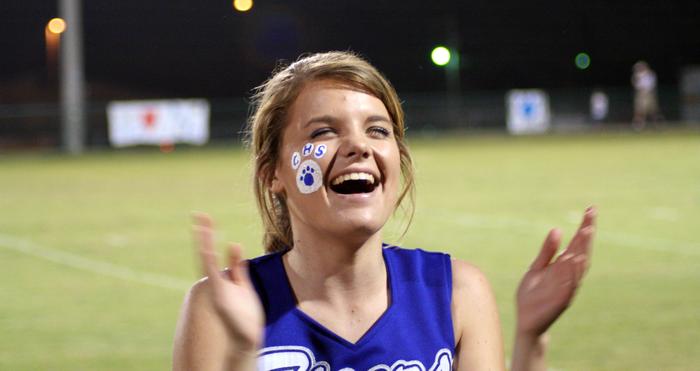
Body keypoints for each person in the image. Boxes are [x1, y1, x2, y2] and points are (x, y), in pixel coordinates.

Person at [173, 51, 596, 371]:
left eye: (378, 130)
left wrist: (531, 340)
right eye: (324, 131)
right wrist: (242, 354)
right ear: (273, 173)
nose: (359, 146)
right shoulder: (221, 307)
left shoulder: (456, 293)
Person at [631, 61, 661, 129]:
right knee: (639, 110)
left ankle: (657, 124)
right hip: (640, 94)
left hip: (649, 93)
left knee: (653, 110)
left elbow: (652, 84)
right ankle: (639, 125)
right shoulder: (637, 75)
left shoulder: (650, 74)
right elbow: (636, 85)